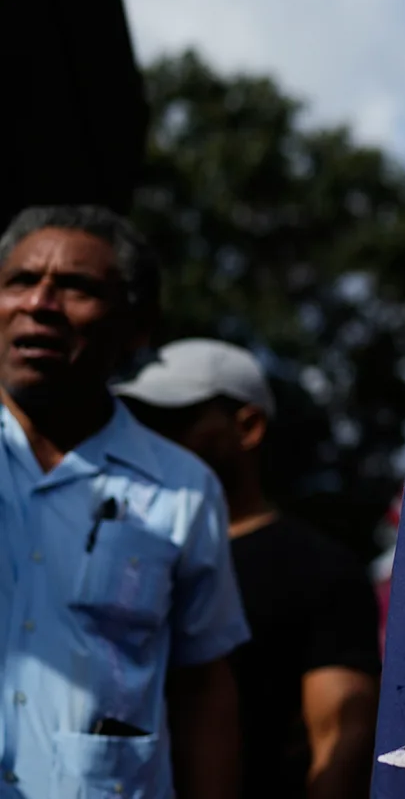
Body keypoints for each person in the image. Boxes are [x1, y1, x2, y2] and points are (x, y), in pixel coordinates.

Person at [0, 206, 249, 799]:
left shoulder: (184, 488)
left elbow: (203, 686)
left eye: (77, 288)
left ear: (135, 327)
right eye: (20, 281)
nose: (40, 304)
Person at [119, 340, 381, 799]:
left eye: (173, 421)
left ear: (248, 426)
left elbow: (341, 741)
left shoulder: (319, 569)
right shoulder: (122, 553)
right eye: (140, 421)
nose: (148, 439)